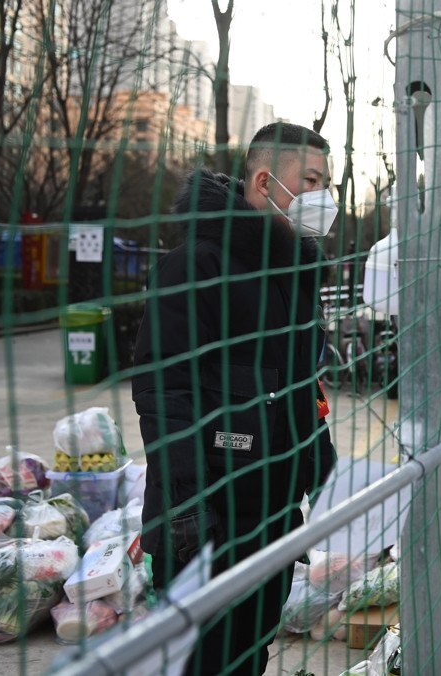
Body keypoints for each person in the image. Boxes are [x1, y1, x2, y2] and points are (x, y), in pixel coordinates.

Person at [132, 122, 338, 675]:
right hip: (203, 528)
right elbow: (162, 390)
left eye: (327, 184)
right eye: (312, 182)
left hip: (271, 521)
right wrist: (186, 505)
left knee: (251, 656)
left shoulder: (293, 276)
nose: (324, 199)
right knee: (201, 662)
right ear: (266, 181)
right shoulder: (196, 266)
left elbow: (300, 392)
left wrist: (326, 481)